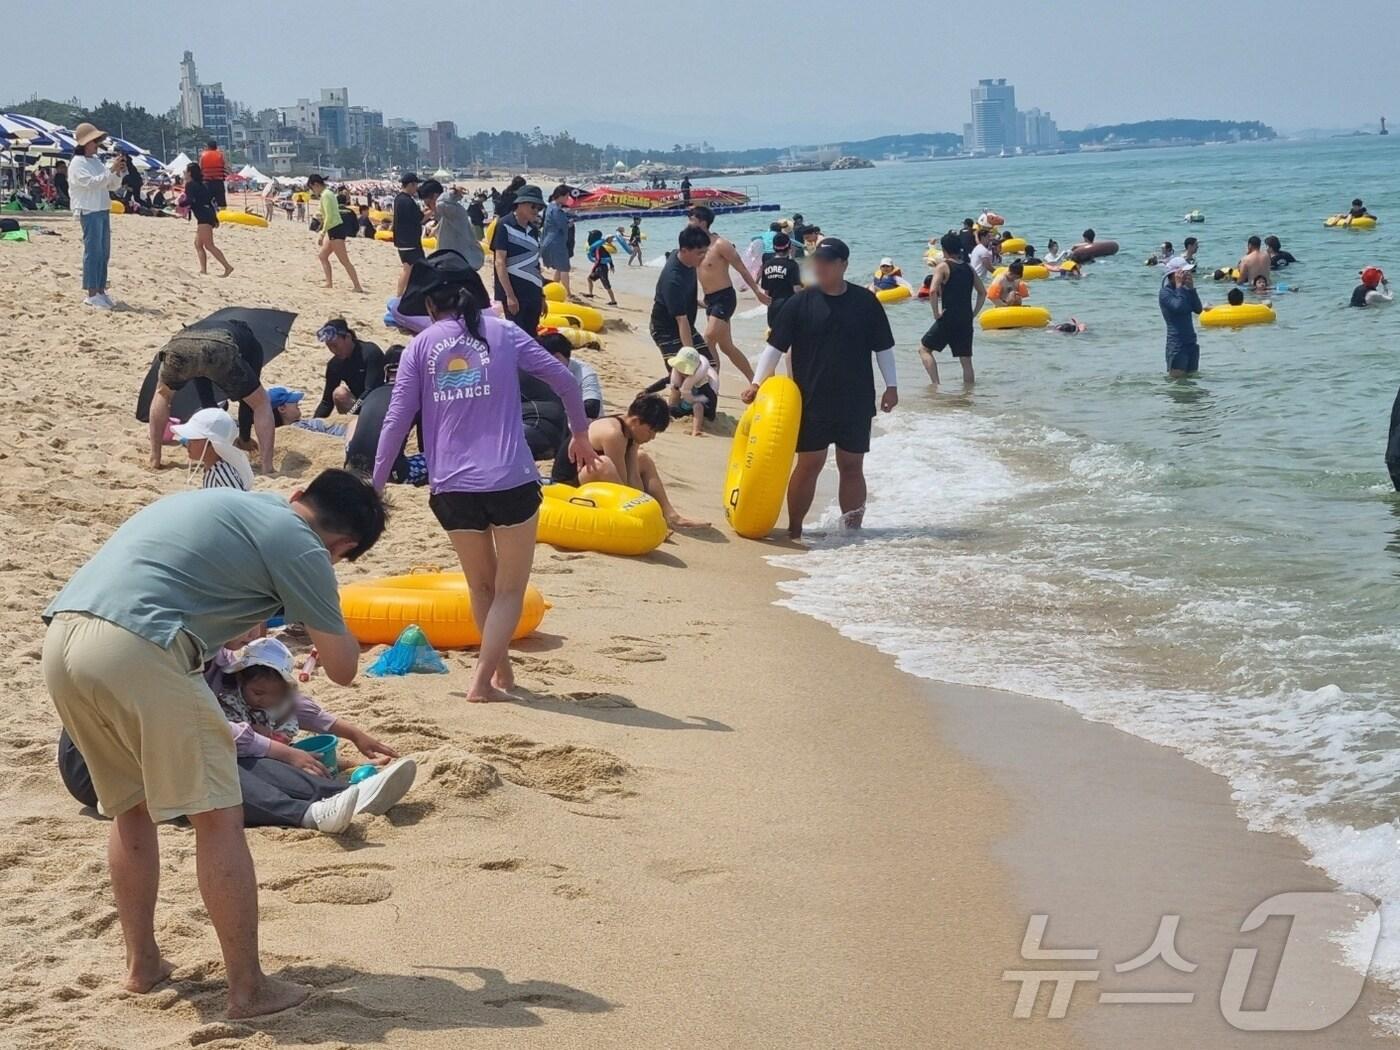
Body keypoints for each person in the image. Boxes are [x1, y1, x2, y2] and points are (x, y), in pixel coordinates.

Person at [41, 470, 387, 1019]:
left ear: (298, 494)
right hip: (141, 649)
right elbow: (342, 668)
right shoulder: (305, 546)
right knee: (219, 817)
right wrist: (326, 604)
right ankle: (249, 990)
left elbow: (217, 616)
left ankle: (143, 965)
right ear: (343, 546)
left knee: (131, 811)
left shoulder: (228, 503)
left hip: (62, 641)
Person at [372, 252, 598, 703]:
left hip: (451, 486)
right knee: (510, 590)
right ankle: (481, 683)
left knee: (481, 586)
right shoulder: (505, 331)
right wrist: (581, 436)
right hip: (510, 477)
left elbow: (396, 420)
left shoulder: (420, 346)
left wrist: (375, 486)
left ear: (431, 305)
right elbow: (567, 383)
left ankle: (502, 675)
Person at [740, 238, 897, 540]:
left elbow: (884, 348)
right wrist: (757, 383)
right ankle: (795, 528)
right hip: (811, 399)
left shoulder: (866, 303)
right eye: (816, 261)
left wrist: (891, 386)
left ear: (843, 265)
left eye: (827, 261)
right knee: (810, 463)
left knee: (852, 464)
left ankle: (852, 532)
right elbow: (775, 347)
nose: (819, 267)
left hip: (855, 397)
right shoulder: (801, 302)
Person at [207, 635, 415, 829]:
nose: (250, 634)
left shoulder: (222, 657)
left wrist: (353, 733)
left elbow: (291, 705)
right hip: (195, 762)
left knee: (278, 761)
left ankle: (343, 794)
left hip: (240, 748)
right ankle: (308, 813)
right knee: (228, 770)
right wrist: (282, 750)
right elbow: (211, 730)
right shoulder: (187, 664)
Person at [552, 394, 707, 528]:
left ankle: (671, 516)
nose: (652, 437)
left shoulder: (630, 430)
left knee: (643, 458)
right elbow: (621, 482)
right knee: (604, 464)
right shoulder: (613, 434)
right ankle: (636, 518)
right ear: (636, 421)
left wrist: (633, 448)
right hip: (569, 481)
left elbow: (632, 477)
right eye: (650, 431)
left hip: (590, 477)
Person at [147, 320, 277, 475]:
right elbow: (247, 402)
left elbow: (206, 396)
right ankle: (267, 466)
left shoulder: (199, 326)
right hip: (219, 347)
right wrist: (245, 438)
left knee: (162, 394)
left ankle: (155, 457)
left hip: (180, 344)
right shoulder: (251, 343)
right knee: (261, 403)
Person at [689, 204, 765, 386]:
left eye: (691, 220)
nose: (688, 224)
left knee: (707, 340)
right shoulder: (696, 246)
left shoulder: (721, 244)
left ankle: (711, 384)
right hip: (710, 300)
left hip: (725, 298)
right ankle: (755, 381)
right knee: (726, 347)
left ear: (703, 222)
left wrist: (757, 291)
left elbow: (742, 269)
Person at [645, 226, 715, 408]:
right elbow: (681, 320)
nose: (704, 257)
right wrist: (690, 356)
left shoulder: (687, 260)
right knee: (684, 370)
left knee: (710, 362)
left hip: (683, 324)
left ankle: (656, 392)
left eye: (705, 252)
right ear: (685, 251)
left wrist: (701, 303)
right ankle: (672, 409)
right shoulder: (673, 280)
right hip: (665, 329)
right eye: (700, 253)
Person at [69, 122, 125, 309]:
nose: (97, 144)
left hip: (102, 208)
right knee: (93, 252)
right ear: (86, 143)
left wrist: (117, 172)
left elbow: (111, 185)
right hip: (89, 210)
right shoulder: (77, 163)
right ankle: (91, 293)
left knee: (103, 252)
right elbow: (92, 183)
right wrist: (110, 170)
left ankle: (100, 290)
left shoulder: (95, 161)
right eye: (95, 141)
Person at [920, 231, 986, 387]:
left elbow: (933, 291)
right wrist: (974, 313)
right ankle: (968, 394)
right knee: (966, 361)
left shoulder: (943, 266)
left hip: (948, 317)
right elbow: (983, 292)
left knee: (924, 349)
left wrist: (936, 313)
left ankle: (936, 385)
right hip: (965, 319)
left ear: (944, 250)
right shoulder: (969, 268)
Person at [490, 184, 547, 335]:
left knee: (531, 334)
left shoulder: (534, 230)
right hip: (515, 291)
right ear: (520, 204)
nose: (536, 211)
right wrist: (509, 295)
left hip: (533, 292)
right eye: (533, 206)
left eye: (539, 208)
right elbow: (500, 262)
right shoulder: (504, 225)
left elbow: (535, 264)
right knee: (516, 335)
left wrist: (542, 295)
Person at [314, 318, 386, 418]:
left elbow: (370, 390)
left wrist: (351, 413)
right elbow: (326, 402)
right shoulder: (335, 364)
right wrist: (313, 424)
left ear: (347, 337)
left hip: (380, 400)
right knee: (339, 394)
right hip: (358, 403)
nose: (333, 350)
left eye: (335, 346)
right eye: (329, 347)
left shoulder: (370, 352)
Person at [172, 408, 255, 490]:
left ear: (211, 443)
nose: (188, 443)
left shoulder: (222, 475)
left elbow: (236, 503)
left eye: (194, 439)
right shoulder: (214, 467)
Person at [309, 174, 364, 293]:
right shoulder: (328, 194)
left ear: (316, 185)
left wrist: (322, 233)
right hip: (333, 228)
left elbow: (329, 216)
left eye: (312, 188)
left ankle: (357, 286)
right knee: (323, 256)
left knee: (344, 260)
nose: (313, 191)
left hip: (335, 229)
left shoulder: (326, 195)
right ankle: (329, 283)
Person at [537, 331, 603, 418]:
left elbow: (592, 408)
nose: (549, 364)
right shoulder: (538, 368)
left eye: (555, 358)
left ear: (566, 356)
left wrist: (554, 409)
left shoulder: (584, 373)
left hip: (586, 424)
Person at [184, 164, 234, 278]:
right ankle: (203, 270)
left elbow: (190, 200)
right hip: (208, 215)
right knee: (198, 244)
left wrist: (179, 204)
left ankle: (227, 267)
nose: (184, 173)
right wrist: (214, 218)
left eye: (185, 171)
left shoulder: (190, 185)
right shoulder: (203, 185)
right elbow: (210, 202)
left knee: (209, 245)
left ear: (190, 173)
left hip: (203, 217)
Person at [424, 181, 485, 270]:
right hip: (456, 262)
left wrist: (453, 191)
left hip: (462, 263)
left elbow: (440, 203)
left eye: (429, 205)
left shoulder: (454, 211)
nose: (430, 209)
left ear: (436, 197)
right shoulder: (446, 216)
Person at [1159, 256, 1203, 378]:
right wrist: (1179, 287)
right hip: (1177, 345)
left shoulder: (1185, 291)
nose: (1186, 275)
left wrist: (1192, 289)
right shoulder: (1165, 293)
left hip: (1191, 342)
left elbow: (1198, 309)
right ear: (1174, 275)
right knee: (1178, 384)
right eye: (1183, 272)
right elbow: (1179, 307)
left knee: (1192, 380)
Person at [665, 345, 717, 437]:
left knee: (697, 406)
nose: (682, 373)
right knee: (674, 390)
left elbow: (712, 398)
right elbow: (663, 382)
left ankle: (696, 430)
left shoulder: (702, 381)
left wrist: (711, 413)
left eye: (685, 371)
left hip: (703, 409)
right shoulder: (678, 374)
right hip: (685, 407)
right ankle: (667, 416)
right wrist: (648, 390)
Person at [759, 232, 802, 328]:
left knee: (777, 340)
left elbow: (766, 292)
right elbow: (797, 289)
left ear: (774, 248)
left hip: (773, 309)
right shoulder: (792, 265)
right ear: (789, 247)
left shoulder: (767, 265)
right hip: (789, 308)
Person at [393, 172, 424, 296]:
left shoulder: (398, 199)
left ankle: (400, 295)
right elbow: (420, 219)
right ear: (411, 185)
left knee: (407, 269)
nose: (417, 188)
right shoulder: (408, 201)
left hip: (401, 241)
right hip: (410, 242)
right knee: (417, 269)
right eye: (416, 185)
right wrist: (432, 209)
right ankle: (403, 295)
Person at [540, 185, 574, 295]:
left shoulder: (550, 206)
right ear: (561, 196)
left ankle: (554, 288)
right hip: (556, 242)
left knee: (559, 268)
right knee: (564, 268)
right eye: (567, 196)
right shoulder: (557, 210)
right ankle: (567, 293)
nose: (568, 199)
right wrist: (570, 223)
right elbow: (562, 225)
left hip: (548, 241)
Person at [584, 230, 618, 304]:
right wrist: (612, 265)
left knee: (606, 285)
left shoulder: (598, 248)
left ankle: (613, 301)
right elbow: (609, 256)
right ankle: (590, 294)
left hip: (602, 269)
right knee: (589, 279)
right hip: (600, 268)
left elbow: (598, 260)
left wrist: (593, 269)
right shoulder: (601, 247)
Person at [199, 139, 228, 210]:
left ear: (208, 147)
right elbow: (226, 166)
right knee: (222, 203)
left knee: (206, 202)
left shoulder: (203, 155)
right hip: (218, 181)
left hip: (207, 182)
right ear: (216, 147)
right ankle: (222, 215)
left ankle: (208, 215)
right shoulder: (221, 155)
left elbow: (200, 167)